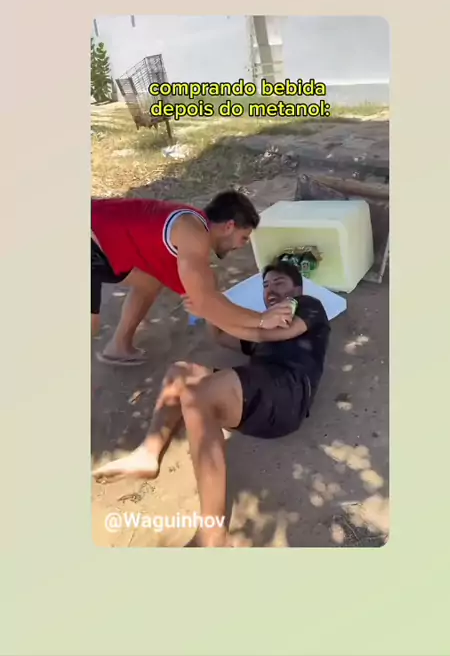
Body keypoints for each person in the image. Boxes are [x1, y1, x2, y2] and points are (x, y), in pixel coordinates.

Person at [93, 260, 331, 547]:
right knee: (180, 373)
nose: (270, 290)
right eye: (266, 285)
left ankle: (213, 531)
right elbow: (219, 337)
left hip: (288, 396)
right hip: (258, 397)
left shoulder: (309, 305)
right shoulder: (261, 326)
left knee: (198, 397)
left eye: (279, 283)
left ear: (298, 288)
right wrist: (208, 300)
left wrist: (243, 319)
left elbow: (280, 332)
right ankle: (148, 454)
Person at [91, 190, 294, 365]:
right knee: (89, 327)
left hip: (105, 242)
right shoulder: (193, 234)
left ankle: (118, 347)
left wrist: (259, 332)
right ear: (229, 226)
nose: (242, 245)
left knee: (149, 283)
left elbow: (209, 304)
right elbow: (207, 303)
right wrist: (262, 320)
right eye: (243, 238)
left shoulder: (194, 226)